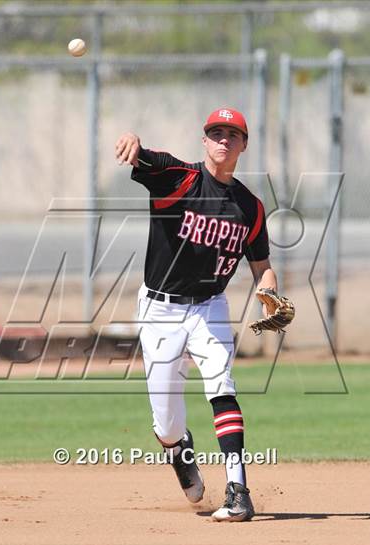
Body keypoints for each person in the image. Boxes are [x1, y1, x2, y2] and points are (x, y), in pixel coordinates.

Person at [115, 108, 277, 522]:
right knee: (167, 425)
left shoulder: (250, 207)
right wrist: (133, 139)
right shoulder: (177, 177)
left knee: (222, 384)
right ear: (204, 140)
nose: (224, 140)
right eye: (216, 133)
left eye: (233, 134)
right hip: (160, 309)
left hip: (210, 308)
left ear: (244, 145)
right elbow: (145, 156)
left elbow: (262, 265)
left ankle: (238, 491)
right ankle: (179, 450)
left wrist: (268, 289)